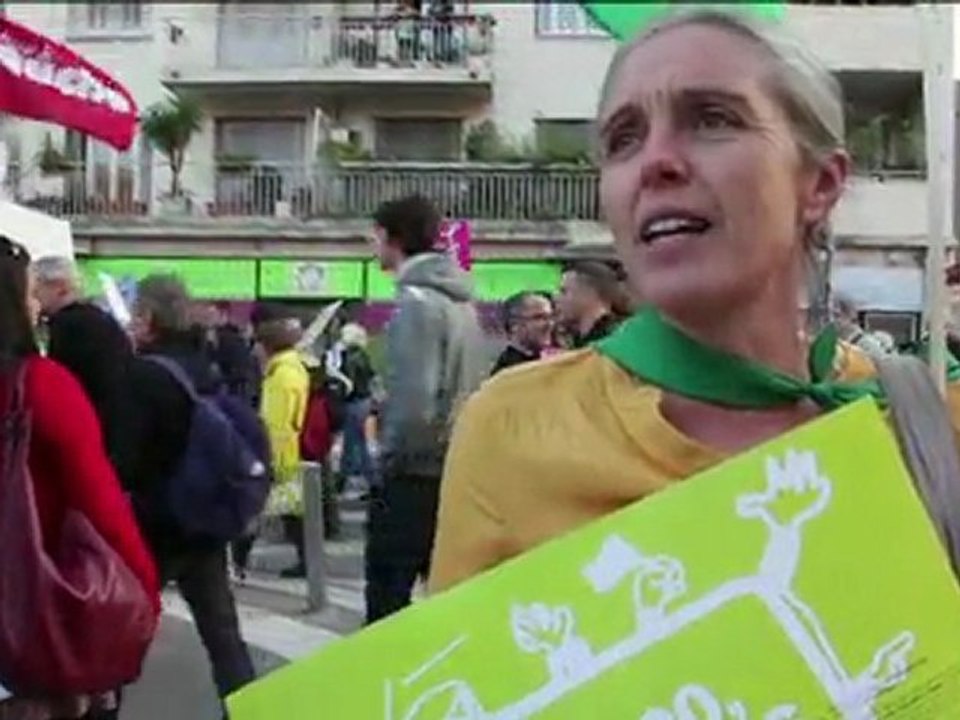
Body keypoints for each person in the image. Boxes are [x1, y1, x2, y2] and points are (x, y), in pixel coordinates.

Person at [428, 10, 960, 593]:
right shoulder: (512, 428)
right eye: (623, 139)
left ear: (820, 185)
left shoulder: (926, 420)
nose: (655, 163)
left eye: (712, 119)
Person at [0, 238, 159, 719]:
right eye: (28, 294)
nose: (35, 306)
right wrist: (143, 590)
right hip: (25, 609)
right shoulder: (39, 385)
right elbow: (98, 502)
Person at [125, 275, 255, 708]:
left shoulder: (143, 375)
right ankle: (252, 709)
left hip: (157, 519)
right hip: (207, 518)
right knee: (223, 636)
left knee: (121, 631)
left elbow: (132, 453)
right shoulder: (208, 362)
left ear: (148, 319)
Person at [366, 194, 489, 623]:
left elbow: (414, 401)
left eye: (376, 237)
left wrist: (388, 458)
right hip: (458, 465)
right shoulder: (462, 305)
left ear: (391, 238)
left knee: (385, 604)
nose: (373, 247)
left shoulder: (416, 305)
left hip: (414, 474)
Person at [31, 256, 137, 476]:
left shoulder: (68, 326)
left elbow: (61, 386)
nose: (33, 297)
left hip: (93, 427)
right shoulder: (97, 320)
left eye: (36, 289)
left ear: (58, 287)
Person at [253, 303, 311, 579]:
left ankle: (238, 561)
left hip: (282, 453)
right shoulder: (292, 368)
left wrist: (269, 456)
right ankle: (307, 560)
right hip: (290, 451)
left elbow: (276, 421)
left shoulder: (281, 375)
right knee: (291, 512)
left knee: (265, 509)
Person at [338, 322, 377, 495]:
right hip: (364, 401)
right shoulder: (363, 355)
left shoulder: (349, 357)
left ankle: (351, 477)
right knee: (360, 441)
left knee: (352, 442)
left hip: (354, 402)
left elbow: (348, 383)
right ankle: (368, 477)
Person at [556, 261, 626, 348]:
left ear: (587, 294)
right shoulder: (579, 341)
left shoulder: (613, 342)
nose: (557, 299)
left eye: (564, 291)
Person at [491, 292, 554, 376]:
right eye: (539, 318)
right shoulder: (507, 374)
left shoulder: (550, 362)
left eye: (550, 317)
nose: (549, 324)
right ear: (514, 325)